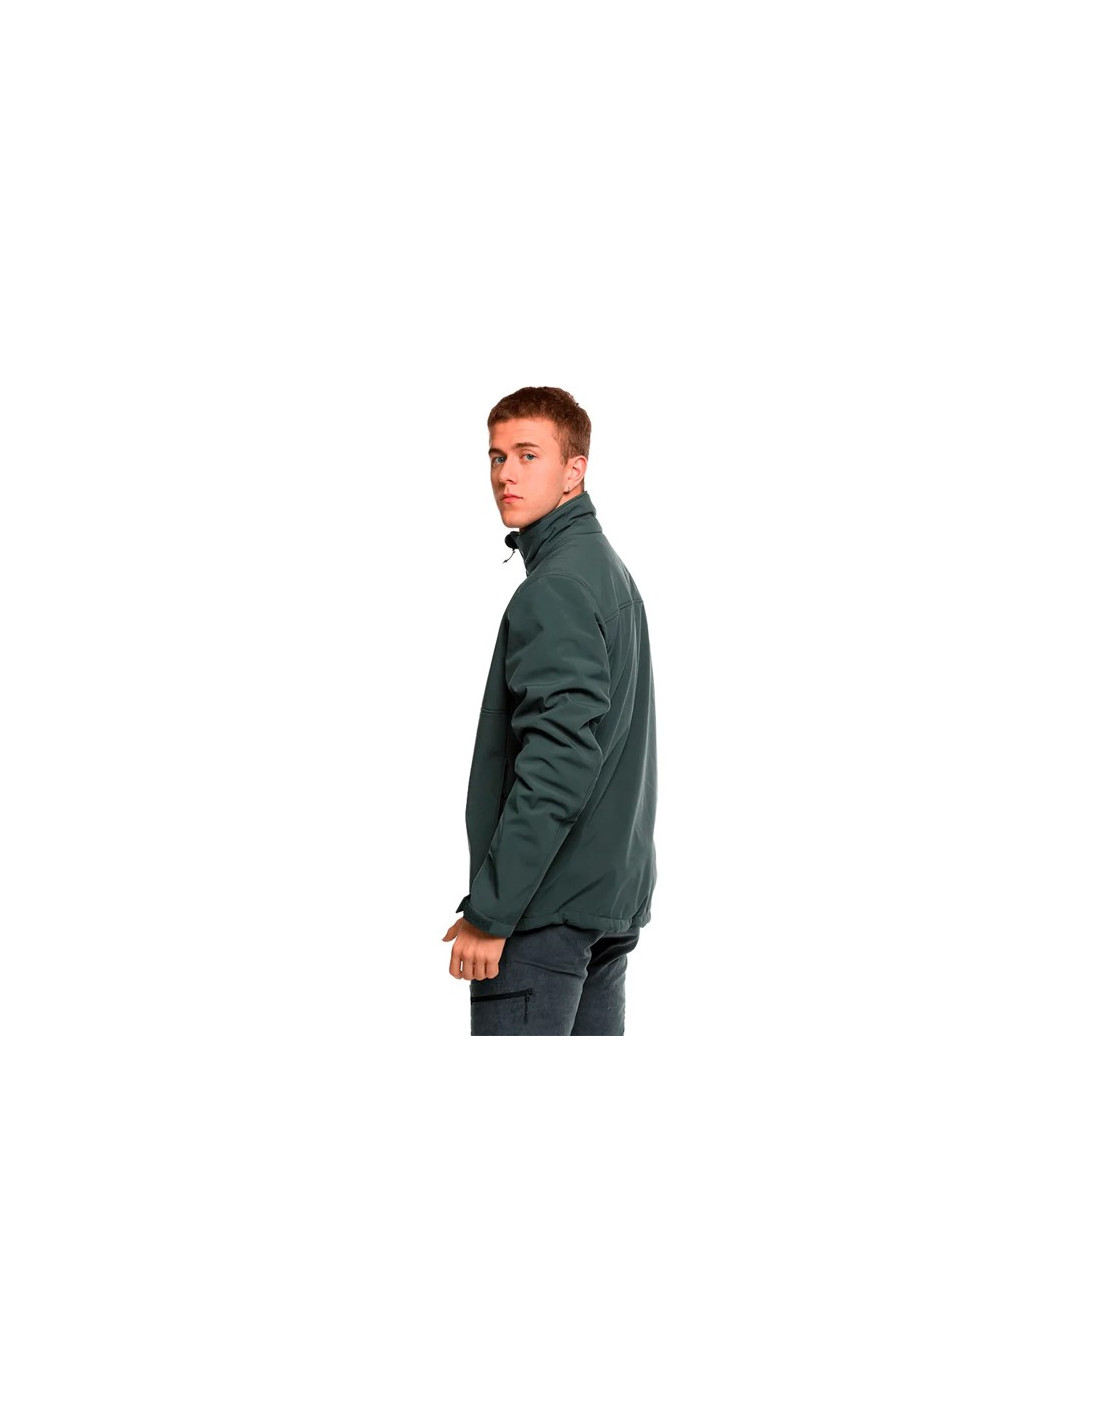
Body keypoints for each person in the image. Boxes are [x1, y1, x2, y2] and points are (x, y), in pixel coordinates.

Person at [442, 386, 658, 1035]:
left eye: (528, 454)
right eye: (497, 456)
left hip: (543, 916)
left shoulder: (557, 587)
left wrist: (491, 911)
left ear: (574, 470)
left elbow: (558, 761)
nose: (505, 474)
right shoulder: (602, 570)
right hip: (601, 907)